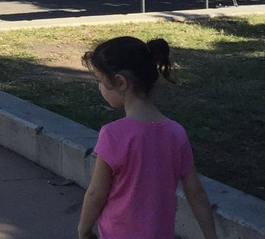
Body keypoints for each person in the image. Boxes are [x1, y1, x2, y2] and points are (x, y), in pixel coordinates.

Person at [78, 36, 218, 239]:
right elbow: (196, 193)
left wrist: (83, 230)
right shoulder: (176, 133)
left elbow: (96, 193)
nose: (99, 87)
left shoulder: (113, 134)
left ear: (119, 82)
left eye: (100, 81)